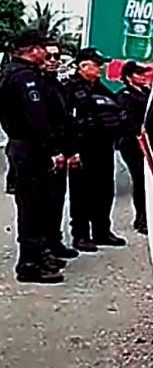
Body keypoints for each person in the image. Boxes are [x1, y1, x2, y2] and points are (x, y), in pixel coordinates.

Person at [0, 29, 66, 283]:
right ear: (32, 49)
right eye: (42, 48)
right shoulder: (23, 76)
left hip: (27, 147)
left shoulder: (22, 73)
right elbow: (37, 118)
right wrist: (53, 150)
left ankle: (39, 255)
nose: (46, 53)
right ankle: (29, 264)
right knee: (32, 207)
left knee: (40, 205)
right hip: (30, 149)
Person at [65, 48, 127, 252]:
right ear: (82, 66)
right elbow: (65, 122)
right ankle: (81, 235)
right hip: (83, 148)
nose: (100, 68)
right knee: (82, 193)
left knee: (104, 190)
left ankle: (102, 231)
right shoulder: (70, 89)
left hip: (103, 147)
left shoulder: (101, 89)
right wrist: (71, 150)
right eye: (97, 64)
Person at [39, 44, 80, 260]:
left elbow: (66, 120)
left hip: (62, 149)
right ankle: (44, 248)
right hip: (45, 152)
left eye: (57, 56)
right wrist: (53, 150)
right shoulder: (36, 84)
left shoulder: (58, 85)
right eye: (49, 56)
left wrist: (71, 150)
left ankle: (55, 242)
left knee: (57, 200)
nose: (53, 60)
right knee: (43, 203)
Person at [115, 61, 152, 234]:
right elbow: (127, 122)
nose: (143, 77)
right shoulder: (125, 96)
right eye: (139, 73)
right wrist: (139, 132)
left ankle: (149, 215)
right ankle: (141, 218)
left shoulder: (147, 93)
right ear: (129, 77)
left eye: (144, 73)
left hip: (150, 143)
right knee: (140, 180)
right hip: (133, 143)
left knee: (149, 182)